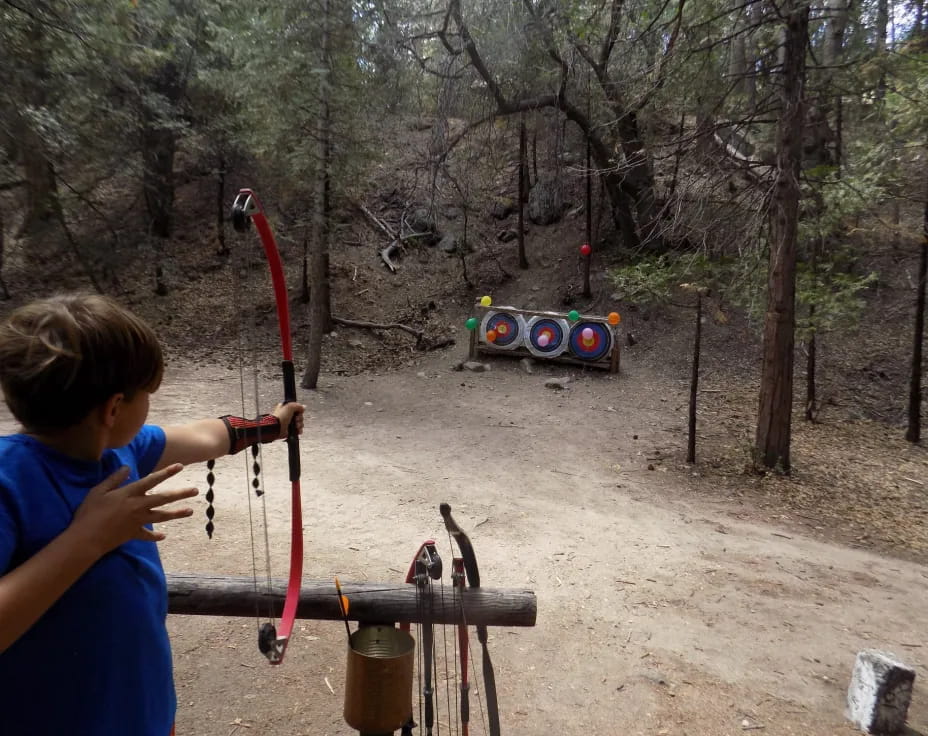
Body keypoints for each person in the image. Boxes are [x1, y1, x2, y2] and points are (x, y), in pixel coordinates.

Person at [0, 293, 305, 736]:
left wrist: (270, 426)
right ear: (113, 409)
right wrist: (89, 538)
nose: (150, 411)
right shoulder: (9, 479)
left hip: (144, 716)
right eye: (148, 397)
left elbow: (203, 436)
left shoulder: (121, 449)